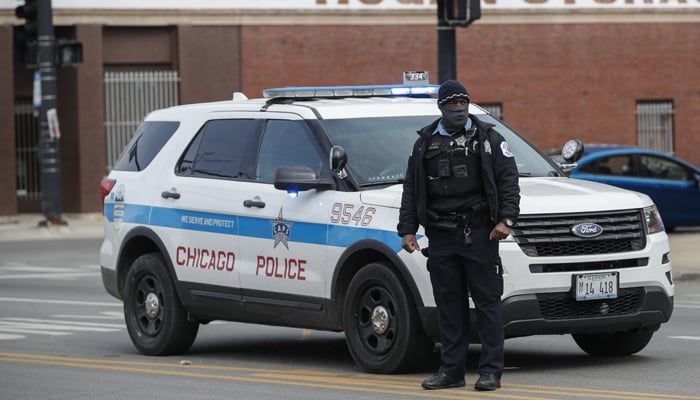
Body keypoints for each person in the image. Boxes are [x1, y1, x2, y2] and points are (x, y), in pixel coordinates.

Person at [397, 80, 520, 391]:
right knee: (449, 306)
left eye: (463, 101)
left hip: (480, 233)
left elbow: (508, 180)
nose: (458, 108)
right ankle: (451, 372)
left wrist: (506, 220)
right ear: (441, 107)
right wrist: (407, 228)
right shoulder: (424, 142)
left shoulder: (489, 138)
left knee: (488, 305)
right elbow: (412, 187)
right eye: (452, 103)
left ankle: (490, 372)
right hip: (440, 236)